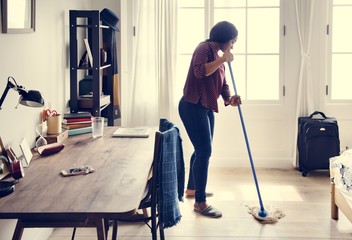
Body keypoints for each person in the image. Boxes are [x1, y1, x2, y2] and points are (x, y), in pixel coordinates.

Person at [178, 21, 241, 218]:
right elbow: (199, 72)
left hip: (205, 106)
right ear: (224, 39)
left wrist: (229, 98)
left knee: (202, 150)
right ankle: (200, 203)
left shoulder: (217, 55)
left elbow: (221, 83)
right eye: (232, 42)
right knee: (204, 151)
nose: (232, 46)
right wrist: (223, 60)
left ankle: (192, 189)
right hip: (192, 105)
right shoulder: (204, 48)